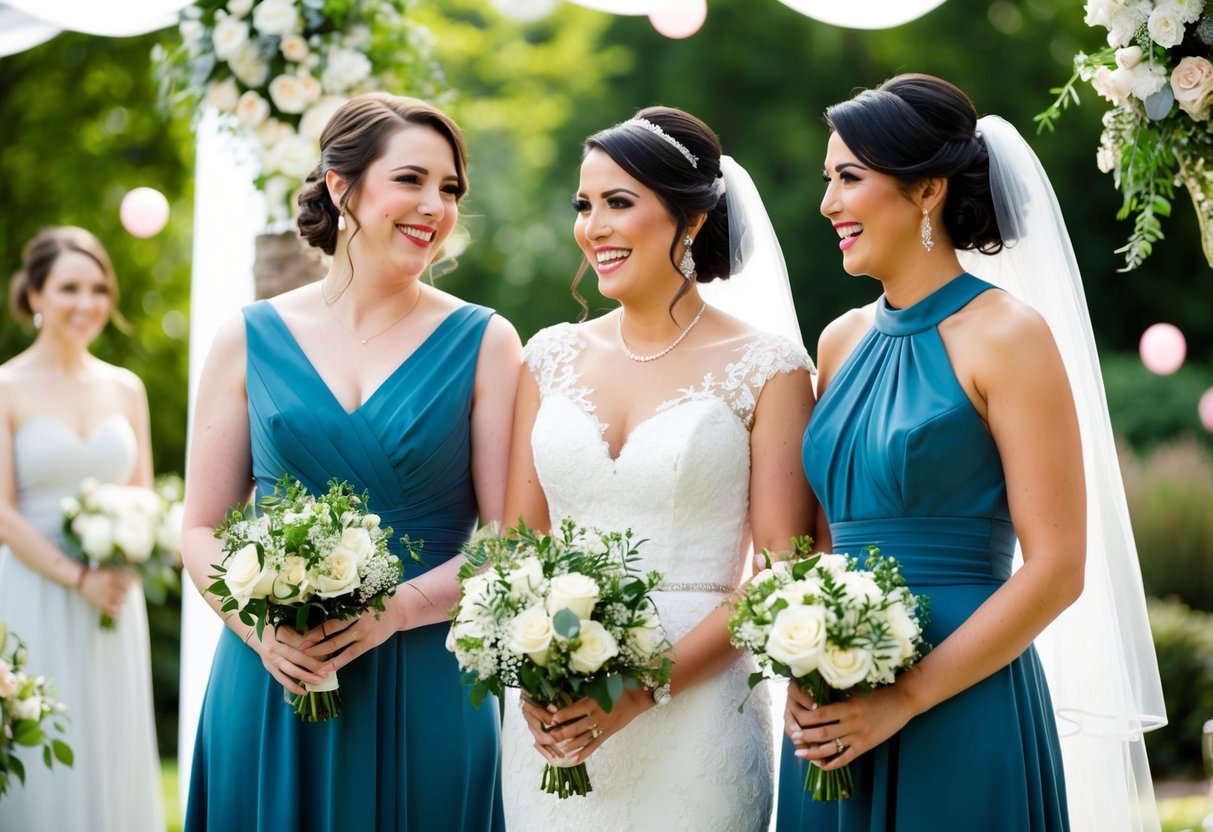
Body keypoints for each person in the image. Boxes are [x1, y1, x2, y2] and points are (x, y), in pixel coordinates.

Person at [779, 74, 1165, 831]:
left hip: (961, 693)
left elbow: (1058, 568)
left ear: (927, 191)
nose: (827, 204)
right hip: (835, 698)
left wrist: (905, 698)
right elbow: (819, 542)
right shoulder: (838, 341)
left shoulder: (1008, 336)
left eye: (848, 178)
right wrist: (802, 660)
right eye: (828, 180)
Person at [181, 93, 520, 831]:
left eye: (449, 188)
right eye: (411, 180)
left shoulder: (486, 342)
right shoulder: (245, 338)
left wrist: (398, 611)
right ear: (341, 187)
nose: (435, 205)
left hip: (427, 674)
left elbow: (510, 541)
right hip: (272, 674)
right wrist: (261, 633)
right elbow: (201, 528)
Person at [501, 106, 827, 831]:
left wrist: (640, 689)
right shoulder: (547, 356)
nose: (594, 227)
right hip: (558, 713)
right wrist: (533, 669)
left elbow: (781, 571)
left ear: (691, 219)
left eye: (619, 202)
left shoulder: (769, 368)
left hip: (698, 713)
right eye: (584, 205)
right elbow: (519, 547)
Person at [0, 226, 164, 831]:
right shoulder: (5, 386)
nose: (86, 303)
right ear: (34, 295)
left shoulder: (126, 388)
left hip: (114, 597)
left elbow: (143, 495)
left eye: (98, 289)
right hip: (35, 588)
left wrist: (130, 559)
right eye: (69, 287)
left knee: (110, 742)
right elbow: (2, 513)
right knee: (41, 744)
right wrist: (77, 577)